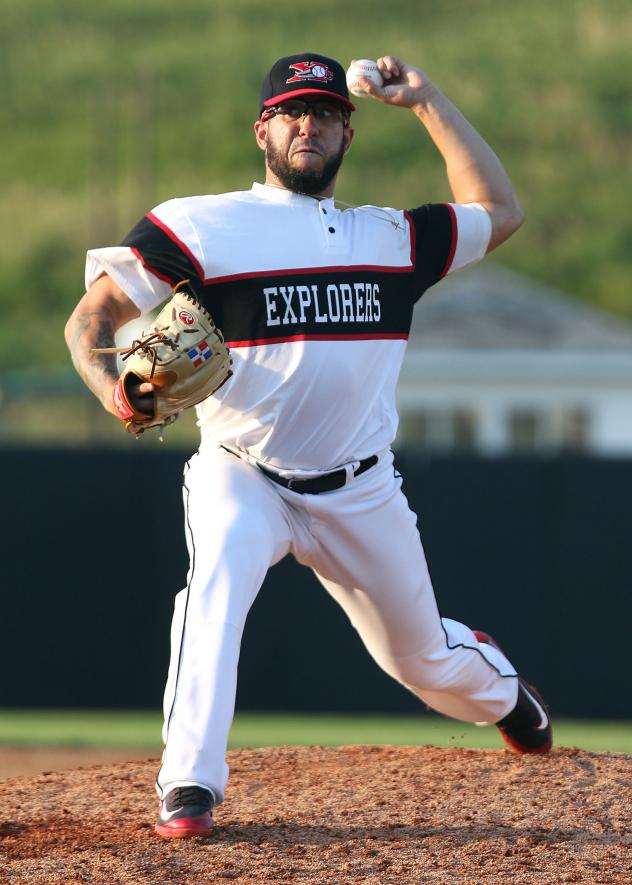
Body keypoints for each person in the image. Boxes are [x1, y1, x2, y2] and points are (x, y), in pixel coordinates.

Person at [65, 52, 552, 839]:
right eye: (292, 111)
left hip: (361, 489)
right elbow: (89, 323)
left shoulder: (392, 238)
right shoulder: (201, 225)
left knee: (422, 661)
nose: (308, 124)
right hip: (242, 472)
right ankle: (190, 782)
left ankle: (502, 691)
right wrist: (112, 388)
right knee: (212, 591)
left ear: (347, 133)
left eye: (324, 113)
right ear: (263, 128)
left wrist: (426, 100)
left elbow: (500, 207)